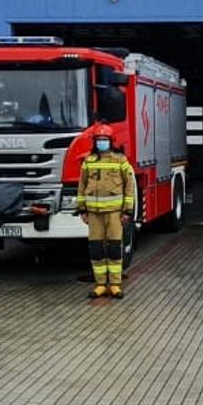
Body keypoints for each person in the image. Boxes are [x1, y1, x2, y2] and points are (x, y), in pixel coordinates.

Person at [77, 123, 136, 299]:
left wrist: (127, 211)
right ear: (94, 142)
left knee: (114, 249)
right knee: (96, 250)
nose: (102, 142)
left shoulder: (120, 161)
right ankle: (101, 284)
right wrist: (82, 209)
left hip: (114, 213)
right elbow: (82, 186)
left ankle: (115, 284)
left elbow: (129, 186)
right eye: (99, 140)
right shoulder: (89, 161)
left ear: (111, 141)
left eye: (105, 139)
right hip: (94, 214)